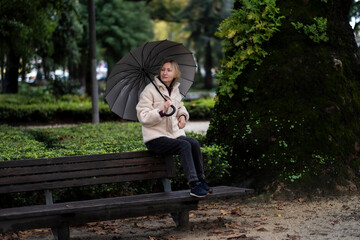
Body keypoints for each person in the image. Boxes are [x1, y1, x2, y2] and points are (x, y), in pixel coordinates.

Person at [136, 59, 212, 198]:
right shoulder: (149, 90)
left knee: (193, 143)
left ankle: (201, 180)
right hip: (155, 138)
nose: (165, 73)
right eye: (163, 69)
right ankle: (194, 184)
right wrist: (161, 111)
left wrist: (182, 116)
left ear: (175, 73)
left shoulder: (175, 90)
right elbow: (143, 116)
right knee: (184, 145)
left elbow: (180, 107)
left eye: (169, 70)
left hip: (173, 135)